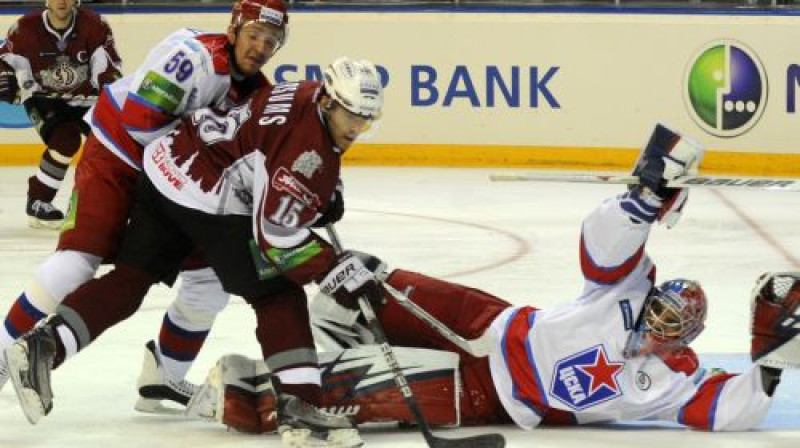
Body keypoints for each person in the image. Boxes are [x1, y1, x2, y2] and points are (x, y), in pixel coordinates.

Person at [185, 124, 800, 434]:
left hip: (492, 394)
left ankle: (235, 393)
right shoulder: (630, 290)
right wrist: (643, 201)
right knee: (354, 289)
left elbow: (729, 413)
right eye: (658, 310)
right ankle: (360, 342)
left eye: (671, 324)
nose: (656, 323)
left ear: (686, 339)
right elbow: (602, 246)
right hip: (490, 318)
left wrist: (772, 362)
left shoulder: (677, 380)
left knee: (347, 394)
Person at [5, 56, 384, 448]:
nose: (356, 126)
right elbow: (275, 236)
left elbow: (268, 155)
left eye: (364, 118)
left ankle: (44, 345)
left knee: (133, 277)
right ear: (327, 100)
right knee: (276, 294)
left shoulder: (304, 94)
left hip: (165, 168)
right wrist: (332, 268)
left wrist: (320, 194)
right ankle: (302, 409)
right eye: (349, 114)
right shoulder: (308, 146)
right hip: (208, 196)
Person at [0, 0, 290, 413]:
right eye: (254, 35)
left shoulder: (257, 93)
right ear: (234, 30)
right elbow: (139, 120)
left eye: (271, 41)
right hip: (118, 157)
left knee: (209, 279)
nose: (260, 47)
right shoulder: (194, 58)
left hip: (173, 183)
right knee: (78, 260)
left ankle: (164, 376)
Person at [0, 0, 122, 229]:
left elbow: (107, 66)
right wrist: (5, 81)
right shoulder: (24, 28)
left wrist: (107, 86)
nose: (62, 1)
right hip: (43, 100)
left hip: (86, 99)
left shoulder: (95, 26)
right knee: (66, 140)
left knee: (108, 143)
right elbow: (3, 60)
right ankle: (38, 201)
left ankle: (107, 203)